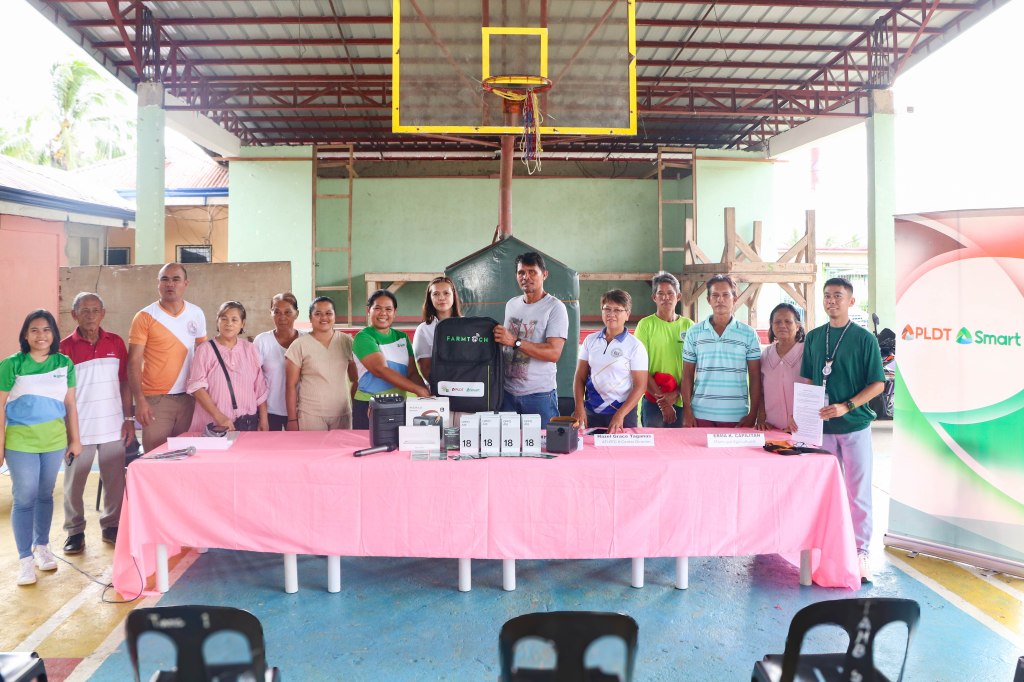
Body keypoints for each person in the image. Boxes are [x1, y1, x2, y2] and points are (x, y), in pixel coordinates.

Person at [799, 277, 884, 583]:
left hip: (854, 426)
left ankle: (860, 553)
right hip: (821, 430)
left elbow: (878, 384)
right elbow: (808, 381)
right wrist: (803, 416)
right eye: (827, 296)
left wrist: (847, 406)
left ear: (851, 301)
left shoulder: (864, 339)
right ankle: (827, 549)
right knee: (823, 493)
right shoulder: (814, 337)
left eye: (838, 295)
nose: (831, 301)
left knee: (857, 493)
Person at [1, 310, 82, 586]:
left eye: (46, 330)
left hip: (54, 441)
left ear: (54, 334)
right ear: (25, 335)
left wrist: (75, 439)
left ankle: (42, 547)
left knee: (45, 495)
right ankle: (25, 559)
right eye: (34, 330)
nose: (41, 335)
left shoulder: (64, 363)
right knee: (25, 497)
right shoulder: (11, 364)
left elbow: (70, 404)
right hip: (21, 441)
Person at [59, 293, 134, 553]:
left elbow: (124, 382)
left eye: (95, 310)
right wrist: (69, 432)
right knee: (73, 484)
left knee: (115, 481)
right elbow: (61, 393)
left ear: (103, 313)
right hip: (79, 430)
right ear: (74, 314)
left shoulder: (116, 342)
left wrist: (128, 419)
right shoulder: (64, 348)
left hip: (113, 426)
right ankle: (75, 531)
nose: (90, 315)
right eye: (84, 310)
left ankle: (111, 525)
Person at [128, 262, 207, 452]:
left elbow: (203, 355)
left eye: (176, 279)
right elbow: (133, 362)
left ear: (185, 283)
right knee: (156, 457)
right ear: (158, 283)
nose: (170, 284)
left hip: (189, 398)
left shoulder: (196, 313)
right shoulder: (144, 316)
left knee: (187, 457)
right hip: (156, 400)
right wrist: (140, 401)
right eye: (165, 279)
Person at [493, 252, 569, 428]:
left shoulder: (555, 307)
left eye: (532, 272)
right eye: (521, 272)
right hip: (507, 394)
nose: (526, 277)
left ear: (544, 274)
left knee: (544, 444)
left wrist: (515, 342)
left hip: (539, 396)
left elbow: (554, 353)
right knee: (508, 444)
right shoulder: (512, 304)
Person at [681, 274, 761, 428]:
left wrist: (753, 414)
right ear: (708, 299)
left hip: (736, 415)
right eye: (715, 295)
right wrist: (687, 411)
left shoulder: (749, 334)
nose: (720, 300)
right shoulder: (694, 332)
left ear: (734, 299)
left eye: (725, 295)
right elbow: (687, 375)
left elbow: (755, 377)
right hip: (700, 414)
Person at [186, 301, 269, 433]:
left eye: (234, 319)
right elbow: (197, 388)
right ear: (217, 321)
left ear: (242, 324)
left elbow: (259, 387)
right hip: (214, 425)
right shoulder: (205, 350)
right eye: (224, 318)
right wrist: (219, 417)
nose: (229, 323)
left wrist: (264, 419)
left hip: (247, 423)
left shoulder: (250, 349)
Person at [572, 290, 648, 433]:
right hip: (592, 412)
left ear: (627, 314)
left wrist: (620, 415)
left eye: (617, 310)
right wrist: (579, 407)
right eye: (607, 309)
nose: (611, 314)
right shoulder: (590, 341)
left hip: (623, 415)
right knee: (591, 447)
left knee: (621, 449)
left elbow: (640, 386)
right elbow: (580, 377)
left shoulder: (635, 346)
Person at [352, 290, 430, 429]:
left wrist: (426, 393)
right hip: (369, 404)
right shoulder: (363, 337)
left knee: (398, 443)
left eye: (388, 309)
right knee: (369, 443)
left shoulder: (402, 337)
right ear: (368, 311)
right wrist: (416, 389)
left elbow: (412, 372)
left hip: (399, 404)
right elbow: (380, 370)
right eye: (377, 308)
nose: (383, 313)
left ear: (395, 312)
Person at [284, 296, 358, 431]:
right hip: (310, 414)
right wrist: (292, 419)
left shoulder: (347, 342)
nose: (324, 317)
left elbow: (356, 379)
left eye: (329, 313)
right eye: (318, 314)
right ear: (310, 317)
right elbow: (291, 385)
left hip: (342, 413)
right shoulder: (299, 345)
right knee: (313, 446)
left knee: (341, 445)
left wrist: (355, 409)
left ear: (335, 316)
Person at [634, 271, 693, 427]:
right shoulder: (645, 325)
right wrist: (664, 403)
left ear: (678, 296)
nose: (666, 297)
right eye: (660, 293)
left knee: (682, 441)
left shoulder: (689, 326)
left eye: (670, 293)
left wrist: (677, 393)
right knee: (655, 441)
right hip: (653, 399)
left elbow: (694, 368)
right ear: (654, 297)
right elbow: (640, 368)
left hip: (682, 399)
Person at [254, 293, 303, 431]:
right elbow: (255, 380)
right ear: (271, 313)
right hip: (270, 411)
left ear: (297, 313)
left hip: (302, 411)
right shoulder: (262, 341)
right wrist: (262, 416)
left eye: (288, 312)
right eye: (277, 312)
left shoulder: (306, 340)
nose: (282, 317)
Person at [755, 303, 805, 432]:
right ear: (771, 326)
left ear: (798, 326)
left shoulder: (807, 352)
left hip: (800, 429)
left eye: (788, 321)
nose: (782, 325)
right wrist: (761, 418)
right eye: (777, 322)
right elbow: (761, 391)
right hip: (771, 428)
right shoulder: (766, 354)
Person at [412, 276, 463, 381]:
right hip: (439, 387)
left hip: (467, 386)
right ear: (430, 298)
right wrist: (442, 387)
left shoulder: (467, 325)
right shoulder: (423, 330)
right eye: (436, 294)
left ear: (454, 295)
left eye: (446, 293)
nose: (441, 298)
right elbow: (425, 369)